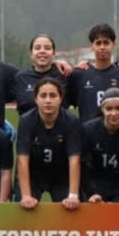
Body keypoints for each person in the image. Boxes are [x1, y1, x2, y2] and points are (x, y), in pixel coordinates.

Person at [16, 78, 83, 210]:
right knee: (23, 210)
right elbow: (22, 160)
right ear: (36, 99)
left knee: (71, 211)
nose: (48, 100)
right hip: (34, 174)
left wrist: (73, 195)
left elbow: (74, 160)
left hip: (61, 174)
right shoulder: (26, 121)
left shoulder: (71, 121)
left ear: (61, 98)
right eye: (43, 95)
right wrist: (26, 195)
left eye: (53, 95)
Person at [81, 88, 119, 203]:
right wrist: (91, 193)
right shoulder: (88, 130)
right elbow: (83, 165)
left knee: (118, 216)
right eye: (109, 109)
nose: (114, 113)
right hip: (95, 182)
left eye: (118, 108)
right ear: (102, 109)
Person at [69, 24, 119, 122]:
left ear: (114, 45)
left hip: (115, 134)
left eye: (106, 43)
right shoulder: (79, 75)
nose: (102, 47)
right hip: (87, 135)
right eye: (98, 43)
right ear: (91, 46)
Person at [13, 34, 69, 118]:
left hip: (61, 130)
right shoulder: (20, 78)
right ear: (31, 53)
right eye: (37, 48)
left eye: (47, 48)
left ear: (54, 53)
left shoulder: (65, 75)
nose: (42, 51)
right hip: (28, 129)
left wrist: (84, 64)